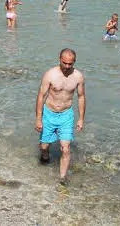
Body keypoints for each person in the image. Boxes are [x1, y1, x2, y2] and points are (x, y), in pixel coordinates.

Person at [35, 48, 85, 184]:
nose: (67, 66)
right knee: (44, 147)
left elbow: (81, 97)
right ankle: (44, 158)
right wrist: (38, 118)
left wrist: (81, 119)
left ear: (74, 62)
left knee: (66, 148)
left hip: (66, 115)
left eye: (70, 64)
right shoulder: (50, 74)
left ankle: (62, 179)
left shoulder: (78, 77)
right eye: (65, 63)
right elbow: (41, 96)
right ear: (59, 59)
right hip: (49, 114)